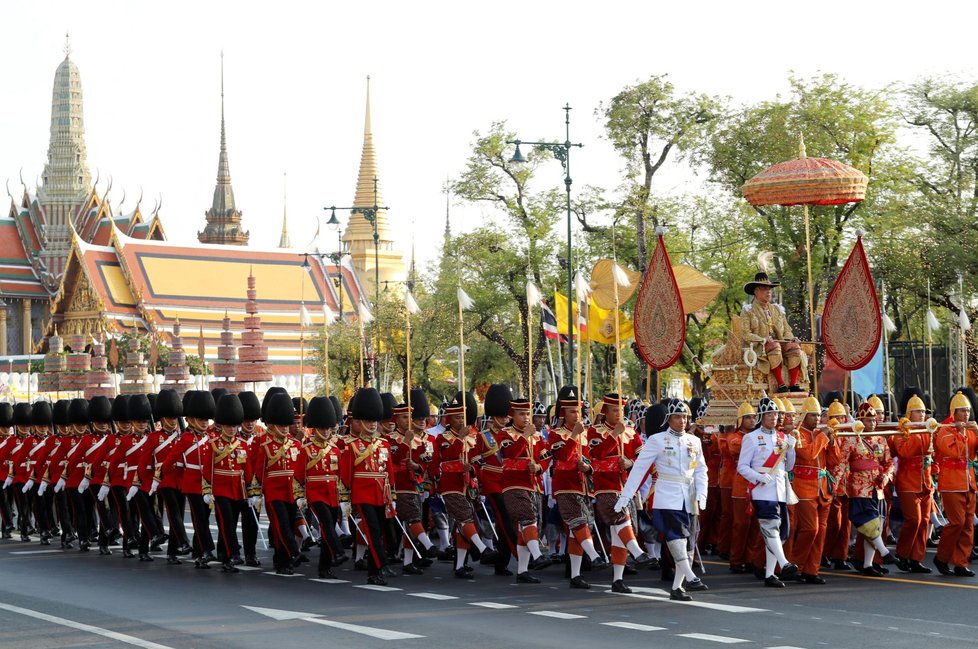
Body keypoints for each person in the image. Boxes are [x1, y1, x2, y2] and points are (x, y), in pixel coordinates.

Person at [616, 399, 708, 601]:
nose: (682, 421)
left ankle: (677, 587)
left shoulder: (694, 441)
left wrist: (702, 494)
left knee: (689, 542)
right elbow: (640, 469)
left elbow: (701, 470)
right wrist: (626, 495)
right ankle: (691, 578)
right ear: (669, 419)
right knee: (676, 536)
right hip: (667, 494)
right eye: (677, 417)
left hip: (690, 496)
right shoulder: (657, 440)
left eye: (685, 417)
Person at [541, 386, 607, 589]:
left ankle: (576, 575)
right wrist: (573, 437)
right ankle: (594, 556)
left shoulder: (586, 434)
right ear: (563, 413)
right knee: (578, 524)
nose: (576, 415)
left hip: (583, 486)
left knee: (575, 533)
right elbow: (560, 457)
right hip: (565, 485)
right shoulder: (556, 434)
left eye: (578, 411)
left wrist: (588, 467)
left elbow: (591, 459)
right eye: (572, 411)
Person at [588, 393, 653, 593]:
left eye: (621, 410)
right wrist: (615, 434)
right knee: (621, 520)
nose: (619, 413)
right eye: (615, 410)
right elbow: (597, 454)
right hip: (605, 487)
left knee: (619, 533)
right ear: (605, 412)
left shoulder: (632, 433)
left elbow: (643, 460)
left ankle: (618, 579)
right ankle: (637, 552)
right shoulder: (595, 431)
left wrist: (631, 463)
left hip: (626, 488)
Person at [430, 392, 499, 579]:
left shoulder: (474, 437)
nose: (461, 420)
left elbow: (478, 460)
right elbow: (447, 457)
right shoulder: (442, 438)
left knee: (462, 525)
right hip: (450, 485)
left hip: (469, 486)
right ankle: (483, 548)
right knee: (465, 517)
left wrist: (473, 469)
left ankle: (460, 565)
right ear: (449, 419)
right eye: (457, 417)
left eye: (462, 417)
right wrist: (460, 439)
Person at [737, 395, 798, 587]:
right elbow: (742, 466)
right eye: (770, 414)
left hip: (780, 488)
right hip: (762, 489)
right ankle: (784, 563)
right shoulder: (751, 438)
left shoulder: (782, 438)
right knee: (770, 526)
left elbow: (789, 467)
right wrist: (758, 476)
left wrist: (792, 449)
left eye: (776, 414)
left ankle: (770, 574)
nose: (774, 417)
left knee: (780, 533)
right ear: (761, 416)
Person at [339, 387, 397, 585]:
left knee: (380, 531)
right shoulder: (352, 445)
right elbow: (345, 474)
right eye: (368, 421)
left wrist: (393, 497)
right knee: (372, 531)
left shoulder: (383, 444)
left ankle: (374, 572)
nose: (372, 425)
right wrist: (344, 499)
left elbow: (389, 472)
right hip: (362, 494)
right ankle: (382, 564)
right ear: (360, 422)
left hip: (381, 493)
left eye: (374, 421)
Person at [831, 401, 895, 576]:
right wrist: (834, 484)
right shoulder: (851, 439)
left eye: (874, 420)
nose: (872, 424)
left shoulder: (881, 439)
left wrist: (886, 476)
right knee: (869, 523)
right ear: (859, 421)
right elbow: (842, 464)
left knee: (877, 526)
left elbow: (889, 463)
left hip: (878, 486)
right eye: (868, 420)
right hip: (859, 486)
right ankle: (885, 552)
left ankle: (868, 564)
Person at [250, 392, 303, 575]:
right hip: (273, 491)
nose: (285, 428)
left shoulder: (294, 444)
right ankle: (293, 552)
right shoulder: (263, 442)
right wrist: (255, 493)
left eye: (286, 424)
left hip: (291, 491)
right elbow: (258, 470)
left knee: (288, 523)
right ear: (273, 424)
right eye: (281, 425)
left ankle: (282, 560)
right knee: (282, 525)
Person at [388, 390, 438, 575]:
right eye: (403, 417)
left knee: (411, 522)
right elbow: (392, 460)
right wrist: (404, 444)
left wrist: (417, 467)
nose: (408, 420)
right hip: (398, 485)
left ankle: (408, 561)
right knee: (413, 517)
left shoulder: (420, 439)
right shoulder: (389, 439)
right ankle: (429, 545)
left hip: (414, 484)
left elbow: (426, 462)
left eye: (409, 416)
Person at [201, 394, 250, 573]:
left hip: (237, 489)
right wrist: (207, 490)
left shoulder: (242, 445)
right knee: (227, 523)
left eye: (234, 425)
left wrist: (252, 493)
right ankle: (232, 555)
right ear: (222, 425)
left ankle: (226, 555)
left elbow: (248, 470)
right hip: (220, 490)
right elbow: (207, 469)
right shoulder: (214, 444)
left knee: (232, 523)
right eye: (228, 425)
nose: (231, 429)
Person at [787, 395, 834, 584]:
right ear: (804, 415)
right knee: (810, 529)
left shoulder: (819, 435)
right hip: (804, 487)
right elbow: (807, 454)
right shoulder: (798, 434)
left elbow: (834, 460)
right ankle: (795, 565)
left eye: (818, 415)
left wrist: (833, 442)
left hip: (823, 488)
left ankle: (811, 570)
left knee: (821, 531)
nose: (817, 419)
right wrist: (823, 437)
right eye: (813, 415)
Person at [933, 391, 978, 577]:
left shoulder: (970, 430)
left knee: (968, 525)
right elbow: (953, 452)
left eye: (968, 410)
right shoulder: (945, 431)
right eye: (962, 410)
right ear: (954, 412)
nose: (966, 414)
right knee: (957, 523)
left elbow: (974, 453)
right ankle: (942, 557)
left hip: (969, 482)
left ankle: (961, 562)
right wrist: (961, 433)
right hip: (951, 483)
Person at [891, 388, 934, 573]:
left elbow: (934, 453)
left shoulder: (928, 428)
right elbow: (905, 452)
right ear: (910, 414)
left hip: (925, 480)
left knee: (924, 521)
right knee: (914, 520)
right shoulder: (903, 430)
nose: (922, 415)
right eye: (919, 412)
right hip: (908, 481)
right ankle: (902, 554)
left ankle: (916, 558)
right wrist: (918, 433)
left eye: (924, 412)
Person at [740, 272, 806, 393]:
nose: (768, 292)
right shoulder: (748, 311)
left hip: (779, 343)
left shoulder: (777, 309)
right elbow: (745, 334)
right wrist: (762, 339)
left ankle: (793, 384)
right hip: (759, 346)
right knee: (774, 345)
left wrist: (791, 339)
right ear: (756, 291)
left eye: (769, 289)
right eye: (764, 289)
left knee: (794, 347)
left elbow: (787, 329)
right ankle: (781, 384)